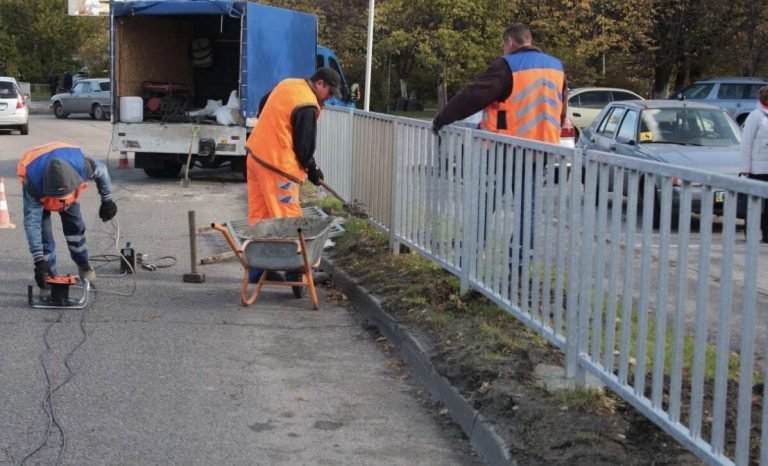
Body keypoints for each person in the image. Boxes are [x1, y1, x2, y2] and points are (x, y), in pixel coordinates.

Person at [432, 23, 567, 277]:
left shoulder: (507, 66)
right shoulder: (555, 67)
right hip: (541, 150)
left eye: (504, 46)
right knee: (528, 211)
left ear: (511, 43)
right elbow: (561, 107)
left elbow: (473, 96)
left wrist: (442, 118)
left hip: (506, 148)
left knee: (484, 205)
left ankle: (466, 263)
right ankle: (518, 270)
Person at [243, 67, 340, 281]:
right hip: (278, 168)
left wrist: (272, 130)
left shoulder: (289, 84)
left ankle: (258, 269)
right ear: (320, 83)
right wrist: (313, 170)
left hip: (256, 157)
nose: (330, 98)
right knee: (289, 221)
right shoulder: (307, 105)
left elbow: (263, 104)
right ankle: (295, 272)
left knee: (260, 217)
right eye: (330, 92)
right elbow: (304, 148)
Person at [17, 142, 118, 289]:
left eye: (63, 196)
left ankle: (83, 264)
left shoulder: (82, 166)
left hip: (66, 172)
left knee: (76, 228)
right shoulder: (33, 184)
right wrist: (39, 261)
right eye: (58, 198)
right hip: (41, 188)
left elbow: (102, 171)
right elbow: (32, 224)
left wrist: (107, 200)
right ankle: (50, 277)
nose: (60, 202)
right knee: (44, 235)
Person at [739, 85, 768, 243]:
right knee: (754, 203)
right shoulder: (755, 116)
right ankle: (750, 233)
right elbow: (746, 143)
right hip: (757, 169)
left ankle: (767, 234)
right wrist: (745, 169)